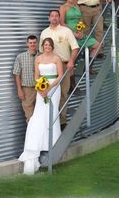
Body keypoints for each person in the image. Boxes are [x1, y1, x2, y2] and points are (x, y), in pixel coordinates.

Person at [19, 37, 63, 175]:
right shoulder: (38, 59)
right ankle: (39, 143)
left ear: (52, 46)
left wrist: (49, 88)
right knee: (39, 113)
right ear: (42, 46)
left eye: (49, 45)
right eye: (45, 45)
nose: (47, 47)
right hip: (41, 88)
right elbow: (36, 76)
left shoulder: (56, 58)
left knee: (51, 112)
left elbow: (60, 75)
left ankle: (53, 142)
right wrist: (40, 88)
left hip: (53, 88)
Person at [39, 10, 79, 130]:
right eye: (52, 16)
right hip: (49, 69)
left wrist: (71, 61)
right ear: (49, 18)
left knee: (62, 94)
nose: (54, 18)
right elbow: (41, 52)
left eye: (57, 16)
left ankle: (61, 121)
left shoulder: (66, 31)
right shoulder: (44, 33)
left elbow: (75, 47)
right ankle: (48, 121)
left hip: (64, 66)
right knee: (47, 94)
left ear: (59, 18)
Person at [59, 0, 100, 75]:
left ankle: (88, 67)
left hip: (80, 33)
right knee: (73, 54)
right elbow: (62, 23)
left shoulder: (77, 6)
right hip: (70, 34)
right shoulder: (63, 7)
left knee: (97, 45)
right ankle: (71, 79)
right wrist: (73, 33)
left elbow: (81, 21)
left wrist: (81, 32)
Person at [13, 35, 38, 123]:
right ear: (27, 44)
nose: (32, 44)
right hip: (27, 90)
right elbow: (16, 74)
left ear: (37, 43)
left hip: (41, 90)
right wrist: (19, 90)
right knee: (30, 116)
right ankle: (32, 136)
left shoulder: (42, 56)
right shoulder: (20, 57)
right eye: (30, 43)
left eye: (34, 42)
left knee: (41, 115)